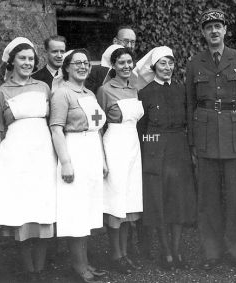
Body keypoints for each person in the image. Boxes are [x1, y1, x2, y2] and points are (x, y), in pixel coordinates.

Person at [185, 8, 236, 271]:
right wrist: (193, 143)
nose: (214, 31)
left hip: (235, 136)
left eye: (218, 26)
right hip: (205, 137)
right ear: (203, 33)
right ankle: (212, 252)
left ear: (226, 30)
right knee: (208, 199)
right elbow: (189, 104)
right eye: (209, 27)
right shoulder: (195, 62)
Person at [0, 37, 57, 280]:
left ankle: (39, 269)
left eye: (31, 59)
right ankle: (28, 269)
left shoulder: (43, 87)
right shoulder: (1, 91)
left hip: (42, 156)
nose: (28, 63)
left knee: (42, 209)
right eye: (22, 58)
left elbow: (53, 123)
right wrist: (1, 163)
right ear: (12, 61)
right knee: (22, 212)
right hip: (16, 158)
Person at [136, 46, 196, 270]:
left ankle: (177, 249)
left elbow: (188, 121)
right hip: (156, 150)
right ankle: (166, 251)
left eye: (170, 63)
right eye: (163, 63)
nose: (167, 68)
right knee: (159, 200)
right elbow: (143, 129)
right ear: (154, 67)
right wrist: (151, 151)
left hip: (179, 148)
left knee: (178, 201)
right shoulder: (146, 92)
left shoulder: (181, 90)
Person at [50, 48, 107, 283]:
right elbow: (56, 129)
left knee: (88, 211)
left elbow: (98, 130)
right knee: (75, 211)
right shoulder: (62, 93)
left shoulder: (90, 94)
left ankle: (85, 263)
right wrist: (66, 162)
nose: (83, 67)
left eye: (86, 63)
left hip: (92, 151)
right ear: (67, 67)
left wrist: (102, 159)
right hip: (74, 151)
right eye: (77, 63)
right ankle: (78, 266)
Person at [97, 47, 144, 274]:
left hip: (133, 146)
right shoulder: (105, 90)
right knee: (115, 202)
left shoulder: (134, 89)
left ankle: (125, 253)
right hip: (114, 145)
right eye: (121, 63)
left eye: (129, 62)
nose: (126, 66)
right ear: (113, 65)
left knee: (128, 203)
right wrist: (103, 159)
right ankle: (115, 255)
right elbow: (98, 126)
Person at [85, 26, 136, 94]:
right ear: (115, 41)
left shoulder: (136, 70)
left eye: (132, 42)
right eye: (126, 41)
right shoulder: (95, 73)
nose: (129, 46)